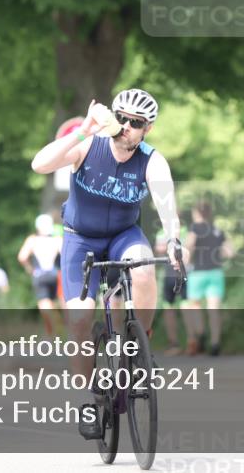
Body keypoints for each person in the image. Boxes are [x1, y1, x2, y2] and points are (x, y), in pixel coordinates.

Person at [31, 88, 185, 440]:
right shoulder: (89, 144)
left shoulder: (151, 160)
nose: (128, 127)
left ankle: (140, 348)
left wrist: (174, 239)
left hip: (122, 235)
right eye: (123, 119)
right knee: (81, 320)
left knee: (145, 267)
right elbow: (39, 165)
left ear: (147, 128)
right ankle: (90, 397)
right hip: (80, 238)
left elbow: (165, 203)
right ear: (113, 117)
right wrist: (83, 129)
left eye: (137, 123)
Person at [182, 202, 234, 356]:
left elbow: (189, 245)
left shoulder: (195, 229)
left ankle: (201, 332)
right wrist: (217, 255)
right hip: (216, 272)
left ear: (196, 213)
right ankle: (215, 342)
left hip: (198, 272)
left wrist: (188, 260)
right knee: (214, 309)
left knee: (195, 305)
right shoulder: (218, 230)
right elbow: (229, 252)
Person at [18, 214, 62, 335]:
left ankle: (51, 334)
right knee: (61, 303)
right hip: (55, 274)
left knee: (45, 305)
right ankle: (64, 332)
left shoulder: (32, 240)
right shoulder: (57, 239)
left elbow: (22, 257)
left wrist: (29, 268)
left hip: (39, 275)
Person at [154, 229, 188, 356]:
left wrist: (166, 248)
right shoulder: (186, 230)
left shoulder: (162, 232)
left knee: (169, 309)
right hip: (185, 272)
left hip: (170, 273)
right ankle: (193, 340)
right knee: (187, 305)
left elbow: (159, 249)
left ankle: (174, 344)